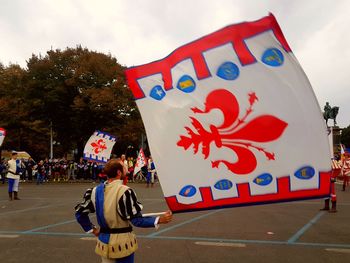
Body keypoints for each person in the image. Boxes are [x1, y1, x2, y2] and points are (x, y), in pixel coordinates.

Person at [75, 158, 173, 263]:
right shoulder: (125, 191)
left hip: (103, 241)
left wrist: (94, 230)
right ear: (118, 172)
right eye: (124, 167)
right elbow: (137, 220)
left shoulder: (94, 191)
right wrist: (159, 220)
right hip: (122, 244)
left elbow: (79, 214)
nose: (126, 168)